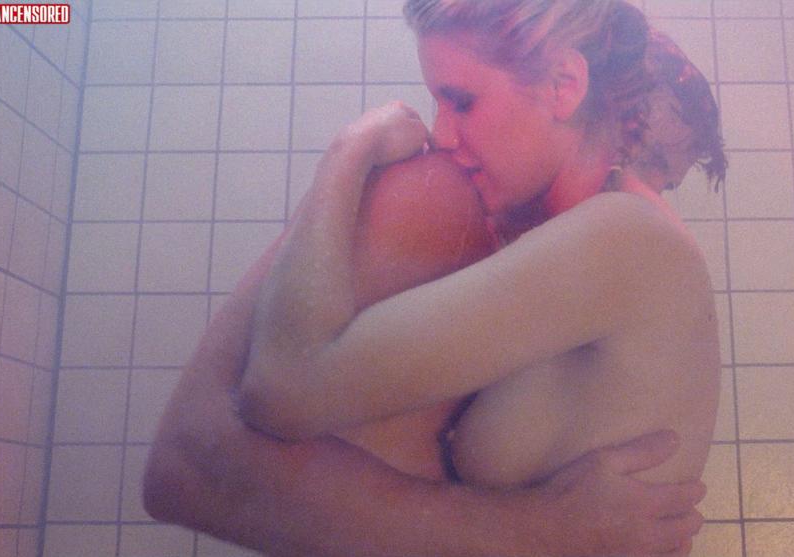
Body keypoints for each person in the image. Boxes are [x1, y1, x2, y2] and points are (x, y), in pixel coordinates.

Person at [237, 0, 723, 543]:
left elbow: (282, 390)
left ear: (563, 85)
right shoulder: (589, 241)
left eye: (462, 102)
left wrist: (347, 153)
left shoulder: (625, 238)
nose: (441, 133)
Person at [144, 150, 707, 556]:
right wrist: (541, 531)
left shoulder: (597, 273)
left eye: (663, 179)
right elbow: (187, 466)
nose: (646, 193)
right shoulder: (431, 194)